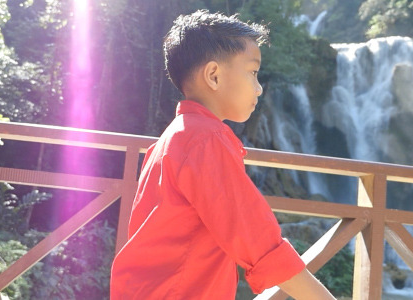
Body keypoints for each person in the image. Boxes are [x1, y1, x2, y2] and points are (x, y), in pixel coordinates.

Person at [110, 10, 336, 299]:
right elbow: (258, 240)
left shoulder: (173, 138)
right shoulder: (206, 140)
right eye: (253, 73)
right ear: (214, 76)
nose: (259, 87)